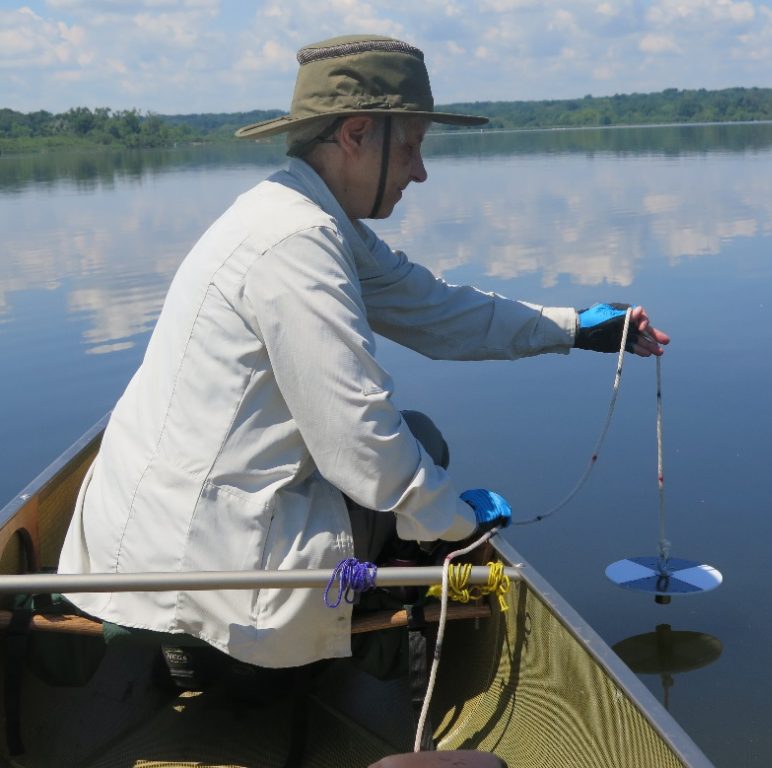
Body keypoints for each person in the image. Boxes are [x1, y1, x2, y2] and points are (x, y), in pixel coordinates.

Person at [58, 34, 669, 670]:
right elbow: (363, 444)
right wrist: (457, 526)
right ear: (354, 134)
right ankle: (377, 656)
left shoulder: (296, 213)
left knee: (417, 460)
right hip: (194, 569)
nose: (421, 171)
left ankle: (237, 649)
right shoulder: (296, 243)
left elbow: (437, 311)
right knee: (420, 456)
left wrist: (577, 328)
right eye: (410, 146)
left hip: (137, 546)